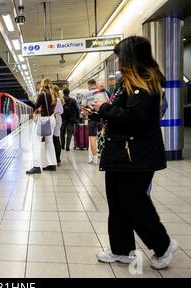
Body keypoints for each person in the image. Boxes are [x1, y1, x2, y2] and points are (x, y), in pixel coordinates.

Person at [86, 36, 177, 270]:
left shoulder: (145, 83)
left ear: (130, 58)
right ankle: (121, 250)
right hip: (120, 153)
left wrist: (105, 108)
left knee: (135, 203)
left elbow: (135, 119)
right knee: (117, 203)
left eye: (119, 57)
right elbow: (120, 112)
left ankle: (163, 245)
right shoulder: (124, 83)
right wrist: (99, 113)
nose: (116, 62)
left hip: (136, 155)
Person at [26, 78, 57, 174]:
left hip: (44, 120)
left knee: (36, 142)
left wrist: (39, 93)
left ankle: (36, 166)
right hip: (52, 119)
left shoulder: (42, 94)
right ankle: (52, 164)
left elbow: (36, 105)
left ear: (42, 85)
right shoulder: (53, 94)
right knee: (49, 141)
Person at [85, 79, 101, 165]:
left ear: (89, 85)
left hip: (92, 118)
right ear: (95, 84)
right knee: (102, 138)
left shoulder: (87, 94)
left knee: (92, 139)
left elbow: (83, 107)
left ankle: (94, 158)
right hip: (103, 118)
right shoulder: (101, 92)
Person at [52, 85, 64, 166]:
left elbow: (58, 111)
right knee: (56, 139)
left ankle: (57, 159)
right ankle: (57, 159)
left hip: (55, 119)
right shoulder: (59, 99)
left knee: (55, 140)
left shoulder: (57, 100)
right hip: (58, 119)